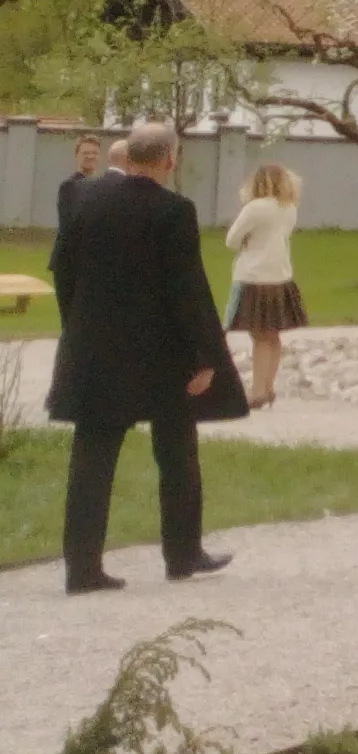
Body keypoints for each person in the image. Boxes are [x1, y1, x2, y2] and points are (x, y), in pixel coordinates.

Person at [46, 120, 244, 592]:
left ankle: (82, 567)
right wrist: (205, 355)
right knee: (177, 450)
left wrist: (76, 325)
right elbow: (187, 290)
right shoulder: (174, 211)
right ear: (171, 160)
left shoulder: (84, 201)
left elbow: (62, 270)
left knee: (92, 456)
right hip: (161, 354)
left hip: (93, 349)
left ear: (128, 157)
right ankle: (182, 553)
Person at [224, 162, 308, 409]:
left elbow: (232, 240)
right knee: (273, 335)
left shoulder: (255, 208)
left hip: (255, 276)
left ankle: (257, 391)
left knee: (259, 335)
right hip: (280, 275)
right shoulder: (289, 208)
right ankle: (269, 387)